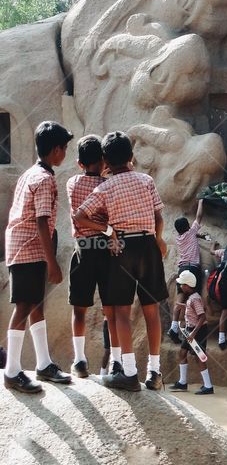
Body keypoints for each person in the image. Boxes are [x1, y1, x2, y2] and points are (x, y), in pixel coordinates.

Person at [74, 130, 167, 392]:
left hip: (122, 247)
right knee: (151, 310)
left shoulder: (105, 187)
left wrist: (107, 231)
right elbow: (158, 216)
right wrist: (158, 239)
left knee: (121, 312)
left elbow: (80, 216)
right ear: (132, 156)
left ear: (105, 160)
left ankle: (128, 372)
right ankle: (155, 372)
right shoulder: (146, 180)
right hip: (148, 245)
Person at [4, 121, 76, 393]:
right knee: (23, 306)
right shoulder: (44, 179)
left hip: (21, 247)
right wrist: (52, 262)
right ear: (56, 149)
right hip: (29, 249)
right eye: (65, 148)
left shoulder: (30, 174)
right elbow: (41, 221)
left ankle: (44, 363)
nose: (65, 153)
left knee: (35, 305)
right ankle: (12, 372)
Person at [66, 134, 115, 379]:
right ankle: (116, 360)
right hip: (105, 249)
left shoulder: (72, 183)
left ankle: (79, 360)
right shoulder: (108, 186)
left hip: (82, 248)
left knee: (79, 308)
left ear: (79, 163)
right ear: (104, 160)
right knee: (111, 307)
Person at [170, 270, 214, 395]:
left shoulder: (195, 299)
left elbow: (202, 316)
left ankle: (208, 386)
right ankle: (182, 382)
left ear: (188, 286)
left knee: (199, 357)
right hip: (191, 330)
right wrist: (184, 306)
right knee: (183, 352)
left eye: (183, 285)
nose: (181, 287)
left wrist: (193, 333)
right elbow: (194, 311)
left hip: (197, 331)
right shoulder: (192, 298)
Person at [169, 216, 204, 344]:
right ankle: (193, 330)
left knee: (180, 299)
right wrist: (201, 200)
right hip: (193, 268)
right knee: (194, 299)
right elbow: (199, 216)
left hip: (182, 268)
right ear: (188, 226)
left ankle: (173, 328)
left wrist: (198, 236)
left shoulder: (178, 238)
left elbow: (191, 235)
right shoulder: (191, 232)